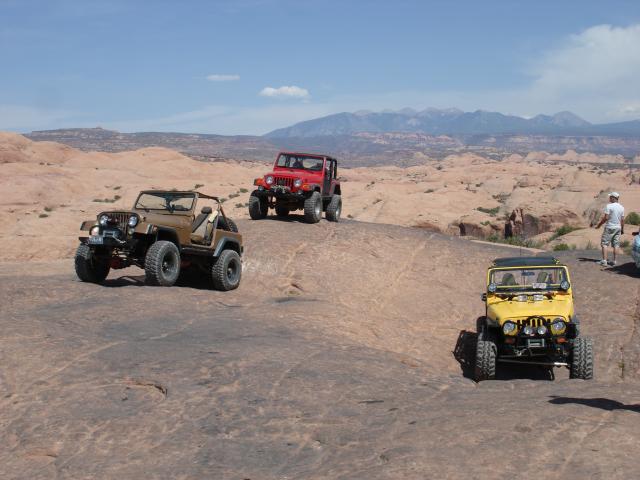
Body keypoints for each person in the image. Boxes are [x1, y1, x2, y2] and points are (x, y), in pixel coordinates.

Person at [594, 192, 624, 266]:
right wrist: (622, 229)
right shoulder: (621, 207)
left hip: (610, 227)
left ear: (613, 198)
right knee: (616, 244)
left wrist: (599, 225)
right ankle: (614, 261)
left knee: (604, 244)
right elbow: (622, 220)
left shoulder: (609, 206)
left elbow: (606, 218)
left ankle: (604, 261)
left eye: (610, 197)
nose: (609, 198)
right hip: (618, 228)